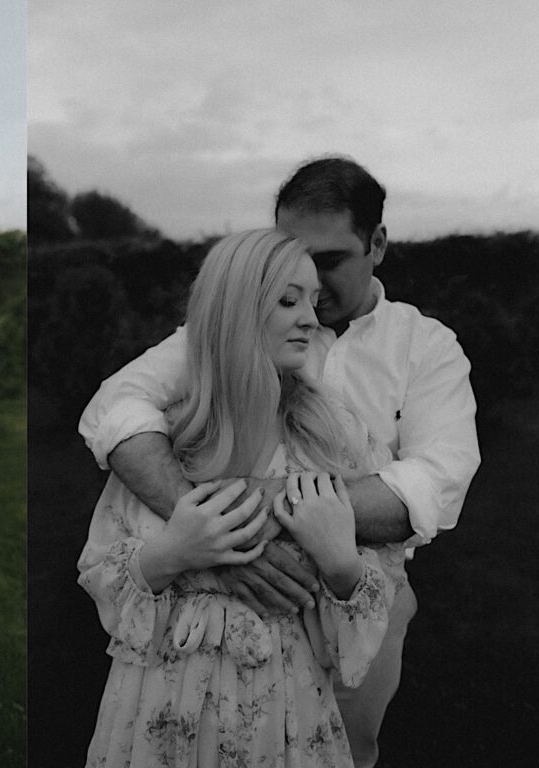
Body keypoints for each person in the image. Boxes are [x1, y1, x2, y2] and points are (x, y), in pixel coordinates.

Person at [79, 156, 481, 767]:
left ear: (376, 244)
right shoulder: (226, 332)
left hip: (353, 596)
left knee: (342, 747)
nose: (311, 295)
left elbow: (429, 487)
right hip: (195, 626)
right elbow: (117, 409)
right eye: (293, 260)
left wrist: (256, 508)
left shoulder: (425, 346)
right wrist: (213, 541)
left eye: (329, 262)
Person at [80, 228, 398, 767]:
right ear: (234, 309)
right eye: (287, 300)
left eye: (312, 301)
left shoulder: (333, 436)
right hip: (163, 710)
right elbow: (100, 576)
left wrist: (341, 561)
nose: (311, 318)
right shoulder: (168, 442)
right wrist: (171, 553)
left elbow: (367, 608)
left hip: (285, 718)